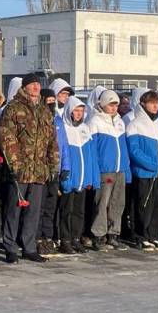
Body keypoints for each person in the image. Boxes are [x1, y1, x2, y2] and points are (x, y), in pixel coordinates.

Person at [0, 73, 58, 264]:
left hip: (39, 169)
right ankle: (10, 247)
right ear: (25, 87)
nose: (35, 88)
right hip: (20, 170)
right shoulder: (14, 108)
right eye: (32, 85)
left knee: (34, 212)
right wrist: (15, 164)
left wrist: (53, 164)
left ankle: (29, 247)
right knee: (14, 211)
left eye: (38, 85)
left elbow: (52, 140)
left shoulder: (44, 110)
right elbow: (7, 137)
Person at [126, 90, 158, 251]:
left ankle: (154, 235)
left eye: (157, 103)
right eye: (151, 103)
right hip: (145, 173)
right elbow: (134, 151)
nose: (155, 106)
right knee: (144, 205)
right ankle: (141, 236)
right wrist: (151, 164)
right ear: (143, 104)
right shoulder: (135, 124)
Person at [88, 89, 131, 251]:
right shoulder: (95, 121)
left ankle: (113, 233)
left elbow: (123, 148)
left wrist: (126, 169)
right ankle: (98, 234)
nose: (113, 108)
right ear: (104, 105)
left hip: (120, 168)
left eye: (116, 105)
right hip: (105, 169)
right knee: (102, 203)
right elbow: (92, 148)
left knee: (117, 202)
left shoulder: (120, 122)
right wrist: (95, 169)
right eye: (111, 105)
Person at [58, 97, 100, 254]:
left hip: (83, 180)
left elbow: (91, 157)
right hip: (70, 179)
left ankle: (76, 238)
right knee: (66, 211)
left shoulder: (85, 129)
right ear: (69, 110)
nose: (78, 113)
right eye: (76, 110)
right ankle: (65, 239)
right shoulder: (63, 129)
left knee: (79, 211)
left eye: (81, 110)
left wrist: (92, 179)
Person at [36, 87, 67, 255]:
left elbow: (64, 146)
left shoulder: (59, 120)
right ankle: (37, 237)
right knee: (39, 207)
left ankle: (48, 237)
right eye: (48, 102)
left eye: (53, 101)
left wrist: (66, 166)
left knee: (50, 206)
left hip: (55, 169)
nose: (52, 104)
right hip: (41, 169)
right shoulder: (39, 118)